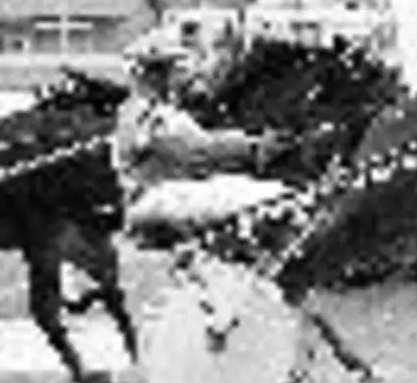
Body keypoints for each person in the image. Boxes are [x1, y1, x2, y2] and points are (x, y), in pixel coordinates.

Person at [112, 25, 294, 237]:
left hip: (154, 193)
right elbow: (198, 151)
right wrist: (255, 146)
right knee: (257, 193)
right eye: (174, 69)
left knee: (234, 186)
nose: (181, 76)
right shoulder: (150, 113)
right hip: (152, 197)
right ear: (155, 74)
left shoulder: (140, 108)